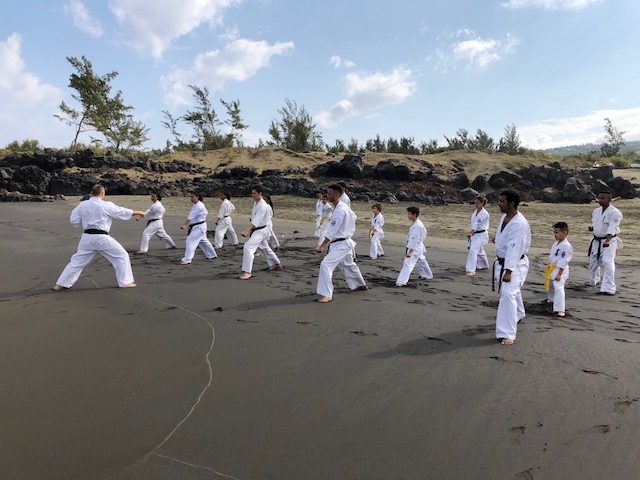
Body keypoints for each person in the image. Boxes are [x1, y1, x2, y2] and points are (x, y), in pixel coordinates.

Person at [52, 184, 146, 290]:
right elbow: (121, 212)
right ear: (102, 193)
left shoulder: (82, 205)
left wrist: (86, 221)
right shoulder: (106, 205)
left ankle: (60, 284)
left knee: (77, 262)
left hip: (87, 238)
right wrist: (139, 212)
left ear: (91, 193)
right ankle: (125, 282)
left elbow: (74, 221)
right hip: (101, 238)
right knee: (121, 256)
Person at [315, 184, 368, 303]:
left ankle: (326, 294)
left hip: (341, 243)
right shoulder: (342, 206)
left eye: (329, 194)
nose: (327, 195)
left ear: (336, 195)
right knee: (348, 265)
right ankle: (360, 284)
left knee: (325, 265)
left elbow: (332, 231)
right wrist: (347, 228)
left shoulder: (340, 210)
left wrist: (322, 245)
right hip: (344, 241)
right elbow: (354, 217)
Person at [492, 190, 531, 345]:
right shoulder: (505, 217)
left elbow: (514, 249)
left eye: (502, 201)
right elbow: (506, 240)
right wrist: (498, 240)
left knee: (508, 295)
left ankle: (507, 333)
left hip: (514, 265)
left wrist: (509, 271)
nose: (499, 204)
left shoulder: (518, 224)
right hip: (503, 262)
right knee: (512, 292)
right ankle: (519, 313)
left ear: (512, 204)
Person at [239, 186, 283, 280]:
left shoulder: (263, 206)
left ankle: (247, 272)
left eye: (254, 193)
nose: (252, 195)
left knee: (248, 247)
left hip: (261, 231)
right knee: (264, 248)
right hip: (258, 230)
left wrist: (246, 230)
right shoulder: (257, 203)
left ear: (260, 193)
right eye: (252, 193)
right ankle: (276, 264)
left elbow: (256, 221)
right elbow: (256, 218)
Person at [588, 190, 623, 295]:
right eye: (599, 198)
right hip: (596, 240)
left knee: (608, 262)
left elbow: (613, 226)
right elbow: (598, 224)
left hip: (609, 241)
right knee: (593, 262)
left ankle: (609, 288)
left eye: (603, 198)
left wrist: (608, 240)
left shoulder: (615, 213)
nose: (600, 200)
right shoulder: (596, 211)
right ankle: (594, 280)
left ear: (609, 199)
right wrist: (593, 228)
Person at [395, 206, 433, 287]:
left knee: (408, 263)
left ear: (414, 214)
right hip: (417, 246)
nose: (408, 216)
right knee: (421, 261)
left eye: (409, 214)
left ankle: (401, 281)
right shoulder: (417, 223)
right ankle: (427, 275)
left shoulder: (417, 225)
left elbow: (414, 239)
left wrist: (410, 251)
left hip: (415, 247)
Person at [543, 222, 573, 317]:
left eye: (557, 232)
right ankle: (552, 299)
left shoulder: (566, 246)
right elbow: (555, 258)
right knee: (551, 286)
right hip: (553, 268)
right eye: (554, 232)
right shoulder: (556, 244)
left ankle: (560, 310)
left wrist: (559, 274)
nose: (555, 235)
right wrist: (549, 262)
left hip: (561, 269)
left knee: (558, 287)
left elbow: (564, 260)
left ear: (564, 233)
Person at [179, 192, 217, 265]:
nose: (191, 199)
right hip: (199, 226)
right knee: (203, 241)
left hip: (199, 227)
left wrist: (184, 225)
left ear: (197, 197)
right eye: (191, 197)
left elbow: (191, 216)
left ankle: (187, 259)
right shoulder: (197, 205)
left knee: (190, 241)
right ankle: (212, 255)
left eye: (193, 197)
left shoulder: (199, 206)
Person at [465, 195, 490, 276]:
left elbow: (477, 223)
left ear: (482, 203)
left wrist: (471, 232)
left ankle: (471, 270)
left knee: (473, 250)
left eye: (477, 203)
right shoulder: (475, 212)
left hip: (481, 234)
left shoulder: (484, 213)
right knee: (479, 251)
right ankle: (484, 265)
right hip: (476, 234)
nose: (475, 205)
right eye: (475, 203)